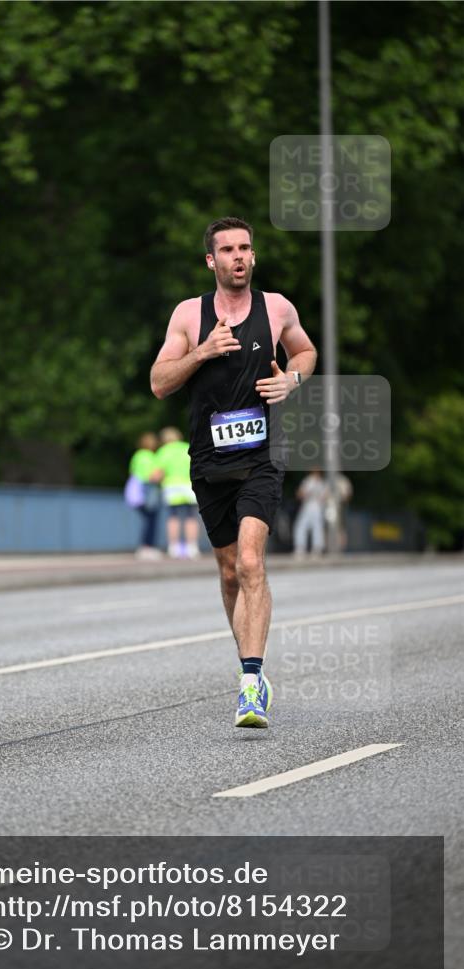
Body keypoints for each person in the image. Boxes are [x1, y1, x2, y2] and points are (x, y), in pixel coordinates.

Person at [150, 216, 317, 728]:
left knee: (249, 562)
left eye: (245, 248)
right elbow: (159, 382)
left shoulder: (277, 308)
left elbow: (306, 351)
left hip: (263, 456)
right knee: (228, 573)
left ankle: (250, 683)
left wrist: (291, 381)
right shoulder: (189, 315)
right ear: (211, 260)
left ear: (253, 256)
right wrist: (202, 351)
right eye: (227, 250)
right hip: (209, 460)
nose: (238, 257)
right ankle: (251, 666)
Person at [153, 427, 200, 558]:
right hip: (189, 485)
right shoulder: (187, 447)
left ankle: (174, 547)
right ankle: (192, 547)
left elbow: (158, 474)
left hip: (171, 486)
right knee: (191, 517)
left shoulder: (164, 451)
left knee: (173, 517)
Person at [127, 432, 162, 560]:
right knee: (151, 520)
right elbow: (152, 476)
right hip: (147, 491)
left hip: (136, 491)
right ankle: (147, 547)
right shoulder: (150, 456)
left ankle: (145, 546)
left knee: (147, 520)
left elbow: (133, 471)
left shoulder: (137, 456)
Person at [293, 468, 327, 557]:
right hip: (307, 506)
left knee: (317, 527)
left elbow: (325, 496)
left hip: (317, 507)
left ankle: (317, 548)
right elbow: (300, 494)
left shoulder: (321, 482)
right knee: (301, 526)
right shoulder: (308, 480)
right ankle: (300, 547)